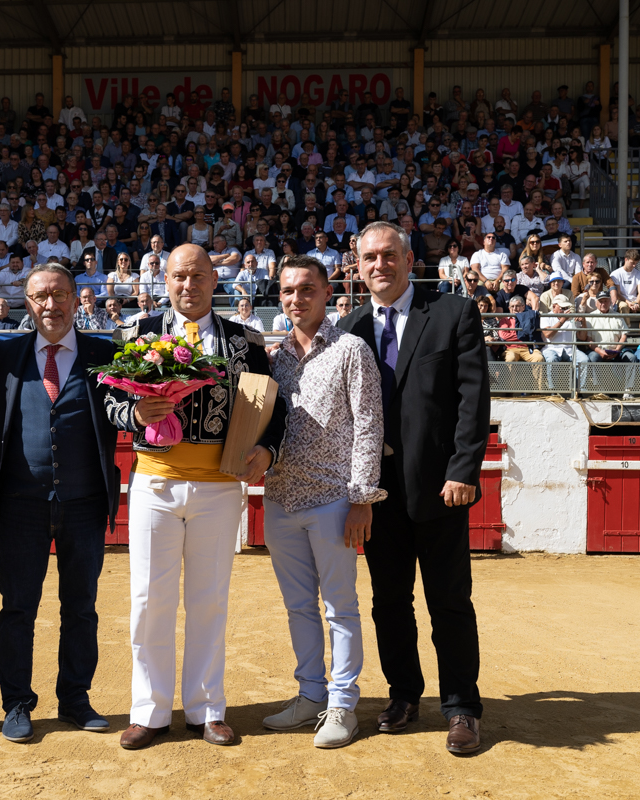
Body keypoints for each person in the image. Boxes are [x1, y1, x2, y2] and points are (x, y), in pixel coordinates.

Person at [109, 243, 287, 751]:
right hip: (155, 482)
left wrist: (268, 451)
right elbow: (109, 399)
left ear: (216, 281)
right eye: (178, 277)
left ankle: (208, 709)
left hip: (219, 488)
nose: (189, 286)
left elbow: (273, 406)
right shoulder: (138, 333)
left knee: (209, 601)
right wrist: (134, 415)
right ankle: (150, 710)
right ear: (165, 280)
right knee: (148, 600)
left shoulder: (243, 341)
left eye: (198, 277)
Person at [336, 221, 489, 756]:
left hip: (441, 487)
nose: (379, 265)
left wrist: (464, 469)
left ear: (408, 260)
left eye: (388, 255)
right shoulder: (350, 328)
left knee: (449, 600)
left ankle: (462, 706)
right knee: (389, 602)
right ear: (357, 267)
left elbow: (473, 399)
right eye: (368, 258)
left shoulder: (452, 313)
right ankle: (404, 695)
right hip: (378, 492)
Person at [0, 263, 123, 743]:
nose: (51, 305)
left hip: (84, 502)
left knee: (81, 606)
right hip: (22, 502)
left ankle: (75, 699)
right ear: (28, 302)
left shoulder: (107, 353)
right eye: (41, 296)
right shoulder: (6, 354)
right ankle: (17, 702)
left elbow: (125, 413)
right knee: (18, 607)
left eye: (60, 294)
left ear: (75, 298)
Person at [259, 255, 385, 749]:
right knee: (298, 608)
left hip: (335, 500)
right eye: (288, 291)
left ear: (327, 291)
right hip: (281, 499)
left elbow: (370, 425)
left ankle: (342, 704)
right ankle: (310, 694)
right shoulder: (275, 358)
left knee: (340, 608)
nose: (296, 299)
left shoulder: (352, 349)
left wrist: (361, 498)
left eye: (306, 289)